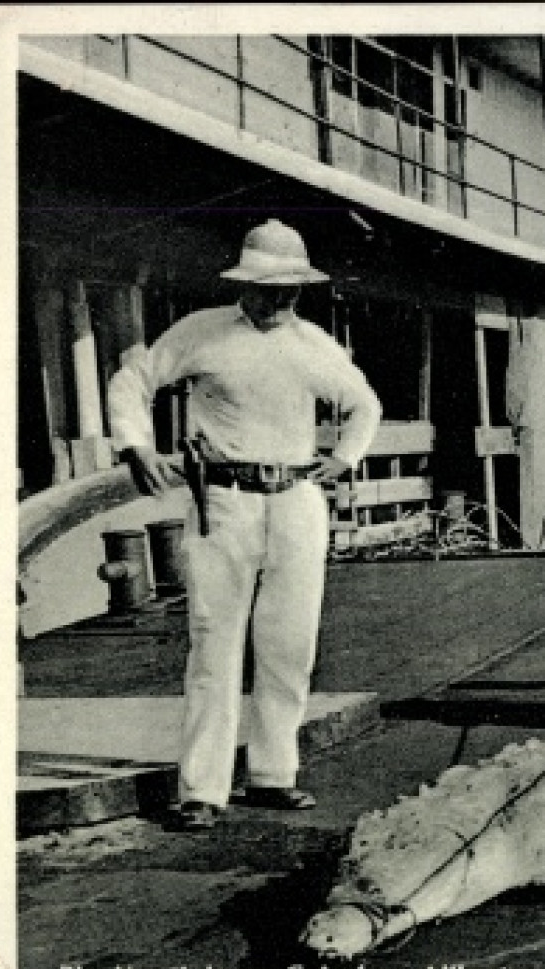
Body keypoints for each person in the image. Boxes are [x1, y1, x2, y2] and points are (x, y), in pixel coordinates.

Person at [107, 219, 383, 829]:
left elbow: (365, 402)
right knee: (215, 642)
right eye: (268, 287)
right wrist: (138, 448)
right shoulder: (201, 332)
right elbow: (134, 380)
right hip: (223, 502)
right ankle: (202, 790)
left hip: (296, 501)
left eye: (290, 288)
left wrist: (343, 458)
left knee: (289, 642)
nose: (279, 299)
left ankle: (273, 775)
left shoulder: (314, 344)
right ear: (243, 283)